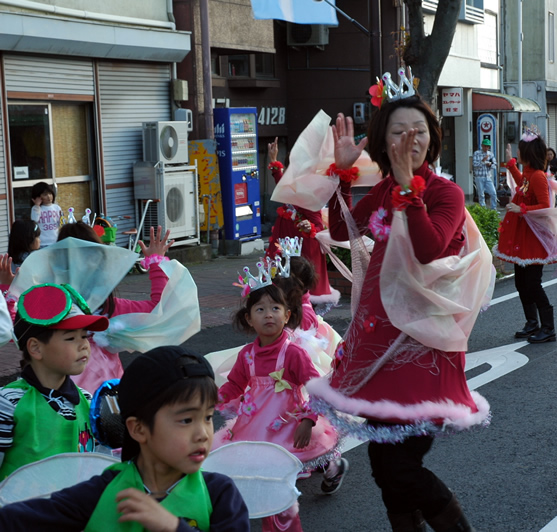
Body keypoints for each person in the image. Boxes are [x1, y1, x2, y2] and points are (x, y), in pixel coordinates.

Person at [308, 70, 492, 531]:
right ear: (383, 141)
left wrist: (410, 188)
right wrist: (344, 177)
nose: (411, 139)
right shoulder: (388, 189)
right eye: (398, 131)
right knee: (383, 465)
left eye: (420, 131)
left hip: (421, 341)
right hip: (378, 335)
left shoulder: (445, 191)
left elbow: (430, 248)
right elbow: (345, 229)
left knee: (401, 465)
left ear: (433, 140)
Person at [0, 345, 250, 530]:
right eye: (186, 420)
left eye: (207, 417)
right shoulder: (104, 491)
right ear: (138, 429)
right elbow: (19, 518)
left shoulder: (218, 494)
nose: (203, 434)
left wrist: (173, 527)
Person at [215, 281, 343, 531]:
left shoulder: (293, 353)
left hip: (285, 430)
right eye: (260, 309)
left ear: (287, 315)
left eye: (275, 308)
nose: (268, 314)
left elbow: (317, 389)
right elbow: (234, 384)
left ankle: (285, 525)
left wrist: (308, 421)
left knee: (281, 489)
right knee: (263, 487)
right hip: (253, 431)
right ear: (249, 318)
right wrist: (212, 398)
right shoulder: (247, 355)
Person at [0, 283, 109, 479]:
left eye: (84, 336)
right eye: (70, 338)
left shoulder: (89, 401)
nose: (84, 345)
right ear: (36, 348)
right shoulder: (8, 403)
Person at [54, 223, 174, 393]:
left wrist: (9, 291)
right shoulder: (109, 308)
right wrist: (156, 263)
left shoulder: (51, 304)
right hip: (106, 400)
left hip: (65, 398)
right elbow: (158, 310)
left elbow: (20, 332)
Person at [495, 134, 557, 343]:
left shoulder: (538, 176)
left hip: (533, 238)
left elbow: (545, 206)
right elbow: (523, 184)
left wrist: (521, 209)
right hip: (525, 236)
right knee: (521, 283)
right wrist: (511, 164)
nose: (519, 153)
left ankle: (548, 328)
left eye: (520, 150)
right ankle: (532, 323)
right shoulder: (530, 174)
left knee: (532, 283)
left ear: (528, 153)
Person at [266, 137, 340, 307]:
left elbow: (319, 226)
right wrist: (273, 160)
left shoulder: (312, 188)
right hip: (286, 238)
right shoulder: (291, 184)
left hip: (304, 243)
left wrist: (310, 226)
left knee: (301, 291)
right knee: (283, 286)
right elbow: (281, 184)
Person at [30, 181, 62, 248]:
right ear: (38, 197)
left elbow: (61, 223)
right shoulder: (36, 209)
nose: (49, 197)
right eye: (45, 194)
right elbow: (34, 221)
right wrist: (37, 205)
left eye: (50, 193)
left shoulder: (57, 207)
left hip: (56, 241)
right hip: (43, 243)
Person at [472, 138, 498, 210]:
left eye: (487, 146)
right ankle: (483, 210)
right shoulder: (477, 153)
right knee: (481, 194)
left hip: (487, 176)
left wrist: (490, 165)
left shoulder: (490, 154)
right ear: (482, 145)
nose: (486, 148)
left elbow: (495, 164)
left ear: (489, 147)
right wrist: (483, 161)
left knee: (493, 193)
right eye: (484, 146)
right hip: (479, 176)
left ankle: (493, 209)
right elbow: (475, 165)